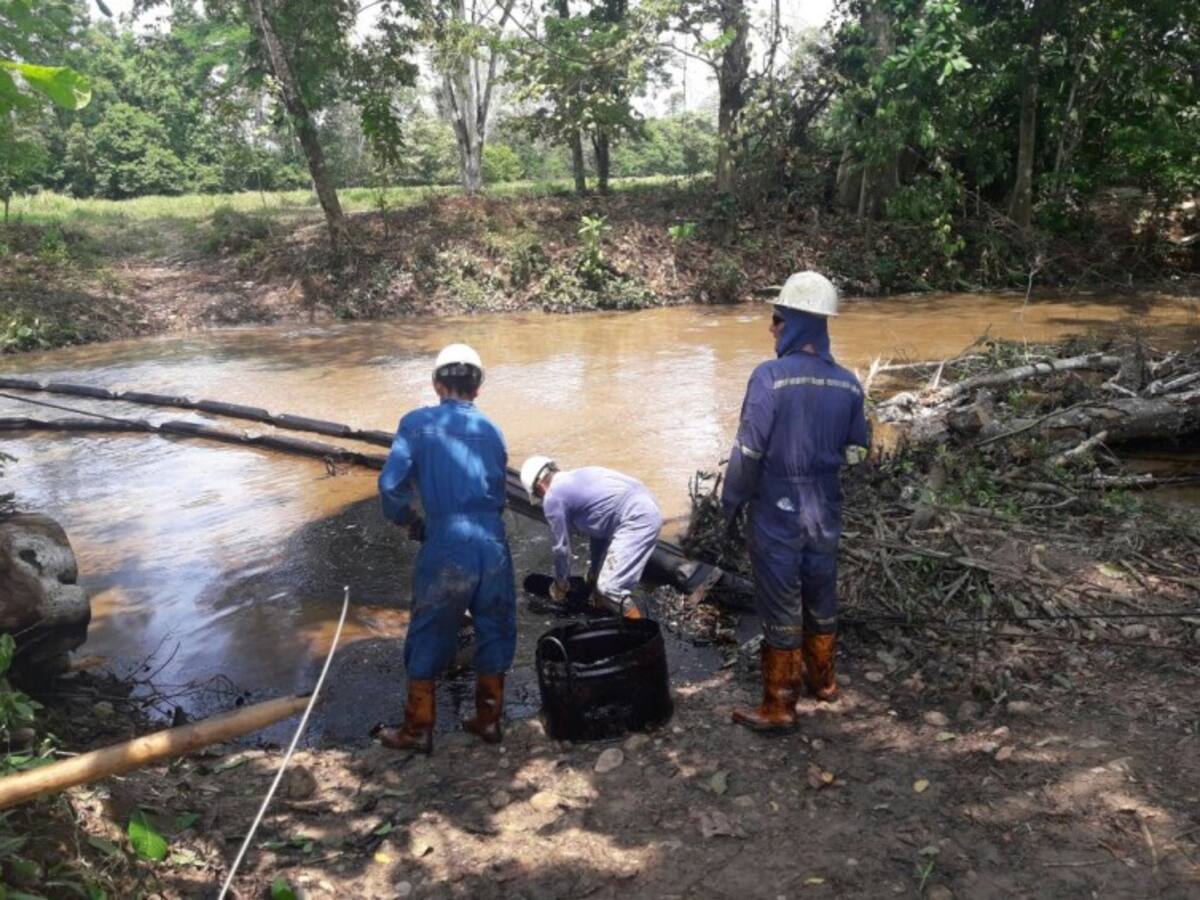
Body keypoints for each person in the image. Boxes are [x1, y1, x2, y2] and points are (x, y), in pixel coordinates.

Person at [721, 271, 870, 733]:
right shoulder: (848, 384)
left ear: (798, 324)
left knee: (780, 603)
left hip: (777, 512)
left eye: (777, 319)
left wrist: (729, 505)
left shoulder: (769, 377)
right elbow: (858, 451)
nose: (772, 329)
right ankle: (823, 682)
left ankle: (780, 703)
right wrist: (824, 464)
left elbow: (747, 453)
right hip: (824, 509)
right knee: (821, 595)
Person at [375, 343, 516, 754]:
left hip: (447, 543)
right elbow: (497, 489)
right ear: (479, 388)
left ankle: (418, 730)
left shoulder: (417, 424)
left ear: (437, 383)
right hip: (493, 544)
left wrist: (409, 521)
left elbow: (390, 489)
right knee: (495, 626)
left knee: (429, 631)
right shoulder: (492, 430)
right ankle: (488, 722)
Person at [519, 457, 662, 619]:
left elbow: (561, 549)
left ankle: (643, 632)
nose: (542, 498)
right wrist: (594, 572)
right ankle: (606, 608)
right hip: (649, 507)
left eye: (539, 495)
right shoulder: (580, 475)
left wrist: (560, 584)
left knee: (610, 588)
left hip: (637, 519)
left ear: (539, 487)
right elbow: (599, 532)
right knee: (603, 587)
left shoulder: (553, 497)